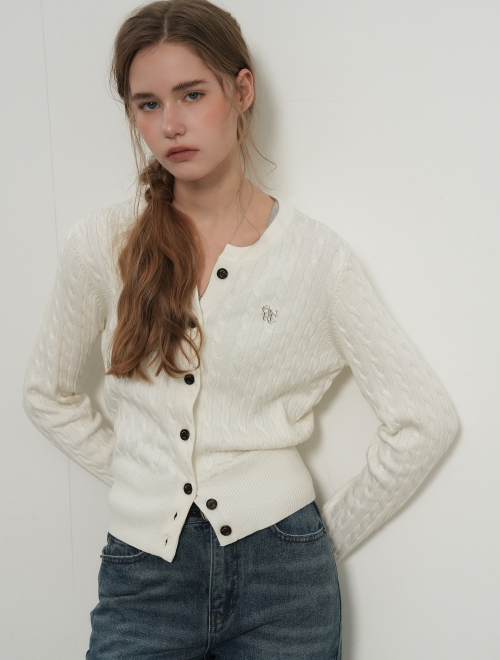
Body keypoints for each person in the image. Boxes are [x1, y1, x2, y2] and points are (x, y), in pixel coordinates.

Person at [22, 0, 459, 658]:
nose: (171, 124)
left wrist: (314, 541)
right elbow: (46, 393)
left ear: (241, 90)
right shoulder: (102, 244)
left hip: (286, 581)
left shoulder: (316, 260)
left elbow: (426, 421)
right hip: (143, 577)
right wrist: (144, 477)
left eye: (192, 94)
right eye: (147, 104)